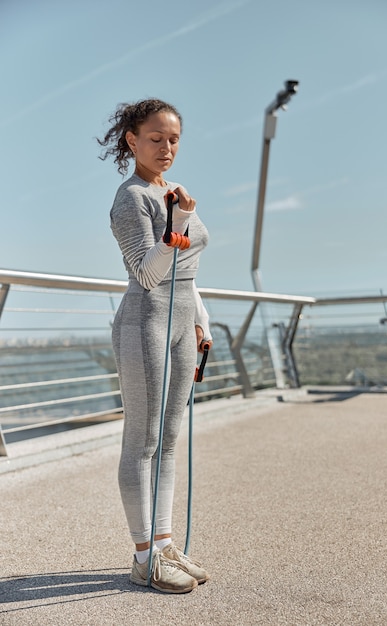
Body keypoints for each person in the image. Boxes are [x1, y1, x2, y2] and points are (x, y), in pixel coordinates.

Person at [97, 99, 213, 594]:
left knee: (168, 440)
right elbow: (147, 271)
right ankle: (143, 556)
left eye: (173, 139)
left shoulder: (173, 192)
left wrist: (203, 321)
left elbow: (189, 274)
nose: (166, 148)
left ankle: (164, 544)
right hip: (145, 321)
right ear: (132, 140)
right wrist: (180, 223)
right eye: (155, 138)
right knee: (142, 441)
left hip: (182, 322)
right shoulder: (131, 198)